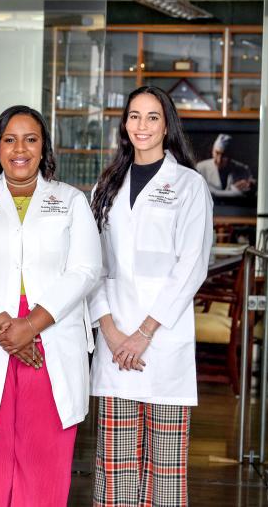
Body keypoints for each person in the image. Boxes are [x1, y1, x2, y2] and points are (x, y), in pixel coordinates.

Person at [0, 105, 103, 506]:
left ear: (43, 147)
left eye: (31, 139)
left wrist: (30, 325)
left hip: (49, 335)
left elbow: (85, 270)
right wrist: (6, 327)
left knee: (43, 455)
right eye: (10, 139)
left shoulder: (70, 201)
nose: (20, 149)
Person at [87, 85, 213, 506]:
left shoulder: (189, 186)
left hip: (161, 342)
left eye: (152, 117)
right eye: (134, 116)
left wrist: (142, 334)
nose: (142, 125)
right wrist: (110, 332)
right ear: (125, 125)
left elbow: (190, 267)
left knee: (166, 472)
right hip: (114, 342)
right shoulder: (105, 185)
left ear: (166, 125)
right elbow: (93, 268)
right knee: (115, 470)